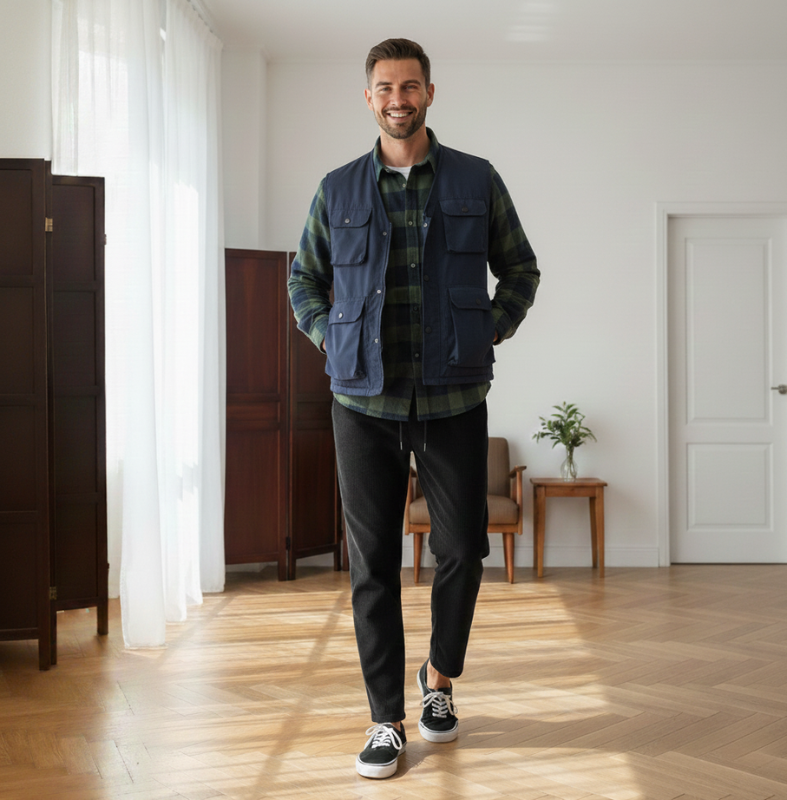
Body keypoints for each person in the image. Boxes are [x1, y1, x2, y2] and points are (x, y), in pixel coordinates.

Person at [288, 38, 539, 780]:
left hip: (453, 394)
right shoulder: (337, 189)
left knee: (463, 548)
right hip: (361, 399)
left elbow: (520, 267)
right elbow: (304, 278)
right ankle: (385, 718)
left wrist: (489, 325)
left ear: (430, 92)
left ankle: (439, 682)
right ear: (368, 98)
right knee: (371, 560)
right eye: (384, 87)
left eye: (410, 86)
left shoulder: (475, 179)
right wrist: (327, 339)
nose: (398, 98)